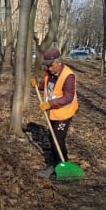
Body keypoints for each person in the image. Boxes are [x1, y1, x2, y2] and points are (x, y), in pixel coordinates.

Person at [31, 47, 78, 178]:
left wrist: (49, 104)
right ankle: (53, 166)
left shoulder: (68, 76)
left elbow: (68, 98)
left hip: (64, 113)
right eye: (47, 66)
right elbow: (48, 87)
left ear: (58, 62)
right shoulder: (49, 73)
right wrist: (37, 85)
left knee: (58, 139)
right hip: (52, 112)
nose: (49, 68)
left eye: (50, 65)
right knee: (52, 139)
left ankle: (63, 167)